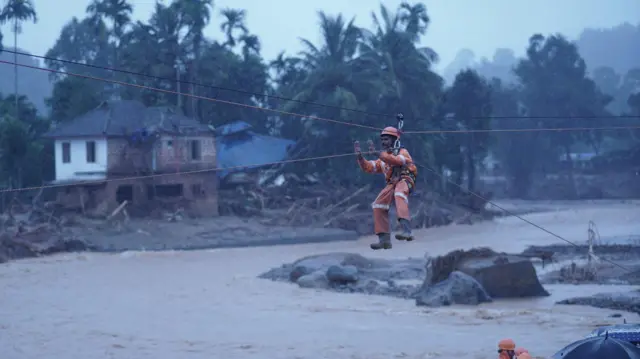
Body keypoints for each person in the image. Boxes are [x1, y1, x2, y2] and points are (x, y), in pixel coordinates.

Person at [355, 126, 418, 250]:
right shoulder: (382, 159)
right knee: (378, 204)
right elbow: (370, 167)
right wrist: (360, 158)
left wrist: (379, 154)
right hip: (392, 183)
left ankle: (407, 231)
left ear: (394, 140)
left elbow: (398, 161)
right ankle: (384, 240)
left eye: (387, 139)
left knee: (399, 195)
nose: (384, 142)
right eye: (382, 140)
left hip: (405, 179)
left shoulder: (402, 152)